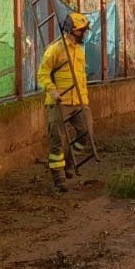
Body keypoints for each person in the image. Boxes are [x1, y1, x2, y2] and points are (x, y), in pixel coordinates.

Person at [38, 11, 93, 192]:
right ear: (70, 30)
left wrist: (84, 101)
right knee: (57, 141)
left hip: (78, 101)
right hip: (59, 102)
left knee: (86, 133)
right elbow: (42, 73)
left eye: (84, 31)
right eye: (80, 31)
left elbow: (81, 78)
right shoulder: (56, 49)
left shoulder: (79, 50)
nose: (83, 34)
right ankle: (58, 178)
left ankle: (69, 162)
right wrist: (52, 91)